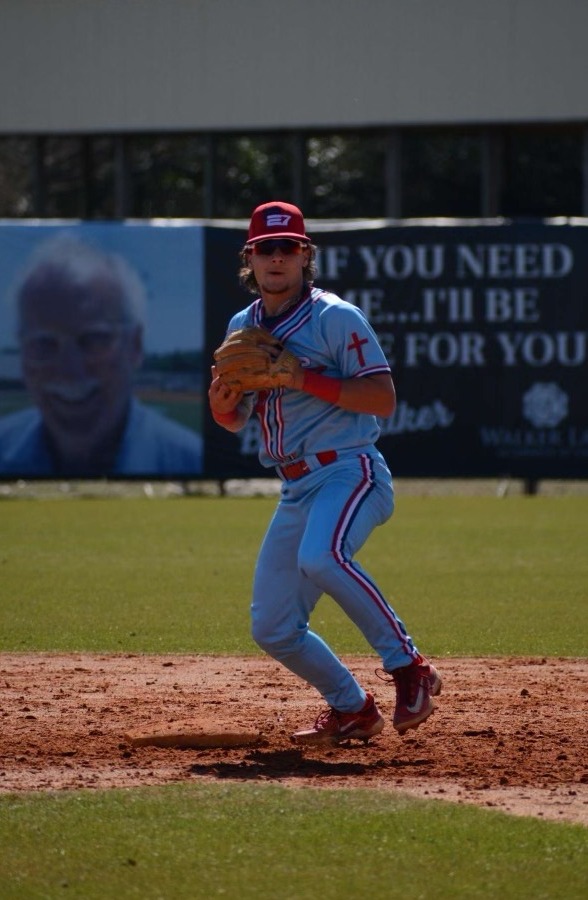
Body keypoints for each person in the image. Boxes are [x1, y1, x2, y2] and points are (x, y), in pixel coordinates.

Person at [208, 201, 442, 744]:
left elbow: (382, 399)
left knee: (322, 556)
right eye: (266, 248)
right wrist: (222, 406)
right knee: (272, 626)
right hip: (295, 486)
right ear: (249, 258)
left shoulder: (334, 317)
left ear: (305, 255)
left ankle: (410, 667)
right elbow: (235, 418)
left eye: (288, 247)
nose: (276, 257)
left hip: (349, 470)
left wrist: (301, 378)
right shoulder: (242, 326)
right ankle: (352, 708)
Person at [0, 234, 203, 477]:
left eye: (93, 340)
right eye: (43, 343)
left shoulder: (191, 460)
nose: (69, 372)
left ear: (135, 345)